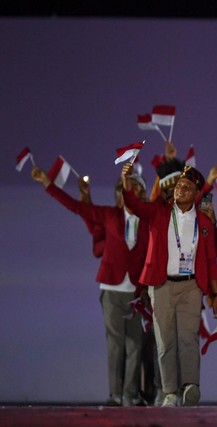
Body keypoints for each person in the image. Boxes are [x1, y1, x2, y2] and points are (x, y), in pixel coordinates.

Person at [31, 166, 149, 407]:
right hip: (112, 289)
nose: (130, 193)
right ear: (119, 194)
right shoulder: (108, 216)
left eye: (136, 189)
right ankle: (115, 396)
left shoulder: (148, 222)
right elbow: (76, 207)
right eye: (126, 189)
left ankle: (131, 395)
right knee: (116, 343)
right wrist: (47, 183)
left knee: (135, 345)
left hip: (136, 293)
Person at [121, 162, 217, 407]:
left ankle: (190, 387)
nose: (179, 190)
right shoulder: (159, 213)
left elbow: (210, 259)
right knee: (165, 341)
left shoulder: (204, 223)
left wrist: (215, 294)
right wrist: (125, 182)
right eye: (178, 186)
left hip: (191, 287)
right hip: (162, 286)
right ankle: (169, 392)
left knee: (188, 339)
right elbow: (134, 205)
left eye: (186, 187)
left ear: (196, 194)